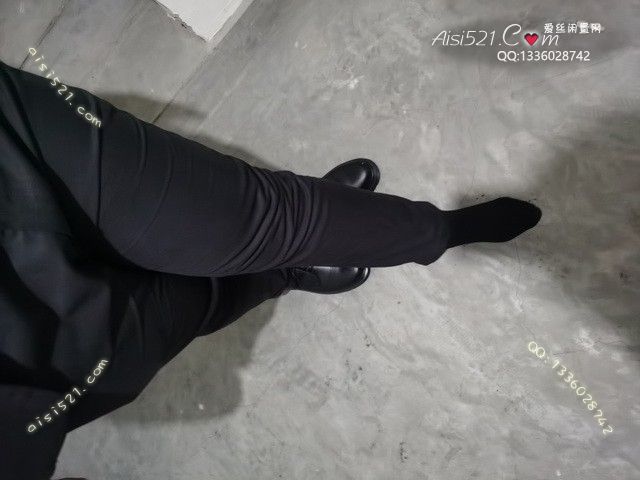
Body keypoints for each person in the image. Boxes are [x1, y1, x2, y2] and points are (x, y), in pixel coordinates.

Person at [0, 57, 541, 479]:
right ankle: (288, 269)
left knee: (255, 217)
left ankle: (438, 231)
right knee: (192, 300)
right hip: (26, 358)